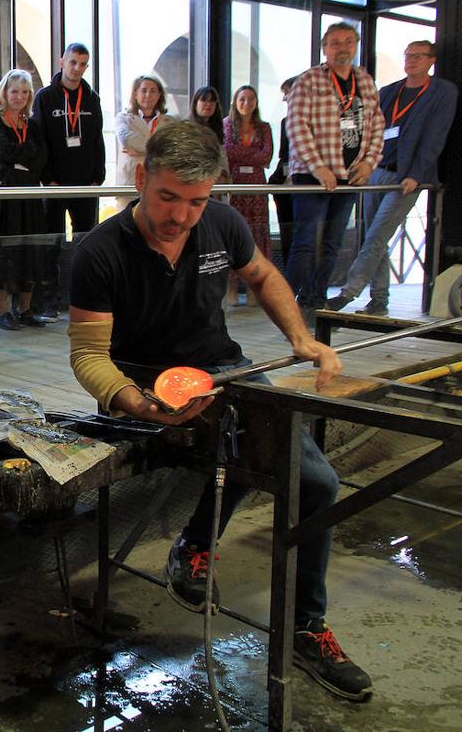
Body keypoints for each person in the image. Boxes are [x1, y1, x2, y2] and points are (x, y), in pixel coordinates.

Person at [67, 119, 373, 703]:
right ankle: (196, 544)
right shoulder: (99, 251)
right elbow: (87, 356)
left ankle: (306, 627)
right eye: (168, 198)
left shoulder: (223, 223)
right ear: (141, 177)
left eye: (196, 201)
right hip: (141, 380)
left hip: (223, 367)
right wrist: (137, 401)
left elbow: (261, 274)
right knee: (233, 440)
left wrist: (301, 337)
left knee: (317, 482)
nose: (182, 216)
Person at [327, 41, 458, 316]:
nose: (411, 61)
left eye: (418, 56)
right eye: (408, 56)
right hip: (377, 171)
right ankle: (379, 299)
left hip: (406, 177)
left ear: (431, 60)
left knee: (376, 235)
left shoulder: (442, 92)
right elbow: (371, 128)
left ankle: (347, 292)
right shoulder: (389, 91)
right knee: (373, 237)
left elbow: (435, 137)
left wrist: (416, 174)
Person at [285, 23, 384, 318]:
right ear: (324, 48)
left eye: (348, 42)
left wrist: (369, 162)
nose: (342, 47)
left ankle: (315, 299)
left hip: (349, 175)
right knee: (305, 242)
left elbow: (378, 124)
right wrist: (318, 167)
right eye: (335, 42)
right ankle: (287, 301)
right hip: (311, 176)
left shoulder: (364, 81)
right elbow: (296, 126)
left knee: (333, 242)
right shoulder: (309, 80)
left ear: (356, 45)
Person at [31, 43, 104, 320]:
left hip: (86, 184)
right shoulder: (45, 97)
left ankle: (81, 301)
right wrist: (47, 178)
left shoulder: (92, 98)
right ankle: (49, 301)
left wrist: (98, 177)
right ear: (62, 61)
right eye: (73, 62)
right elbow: (40, 140)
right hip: (55, 184)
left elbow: (97, 139)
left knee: (86, 243)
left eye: (83, 64)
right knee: (52, 242)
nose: (77, 69)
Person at [0, 69, 47, 330]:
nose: (19, 97)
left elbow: (41, 158)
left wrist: (23, 158)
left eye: (24, 92)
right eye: (14, 91)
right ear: (4, 93)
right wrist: (25, 154)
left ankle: (26, 309)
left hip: (30, 194)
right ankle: (3, 311)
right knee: (5, 253)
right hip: (6, 193)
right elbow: (4, 151)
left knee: (31, 250)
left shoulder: (33, 124)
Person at [223, 85, 274, 304]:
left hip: (257, 187)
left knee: (256, 234)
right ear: (236, 102)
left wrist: (244, 155)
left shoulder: (264, 127)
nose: (247, 103)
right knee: (234, 233)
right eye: (242, 99)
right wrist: (251, 154)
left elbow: (266, 156)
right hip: (234, 186)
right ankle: (232, 288)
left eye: (251, 99)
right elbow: (227, 151)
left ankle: (255, 289)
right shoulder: (226, 124)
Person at [114, 75, 175, 211]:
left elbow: (171, 149)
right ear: (135, 93)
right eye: (143, 90)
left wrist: (140, 150)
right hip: (129, 183)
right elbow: (127, 140)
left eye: (153, 91)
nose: (148, 95)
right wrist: (158, 148)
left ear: (159, 95)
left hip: (160, 183)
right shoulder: (123, 118)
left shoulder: (170, 122)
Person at [267, 76, 300, 270]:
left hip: (303, 184)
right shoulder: (285, 122)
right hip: (284, 185)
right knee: (287, 232)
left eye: (286, 93)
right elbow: (283, 156)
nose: (284, 99)